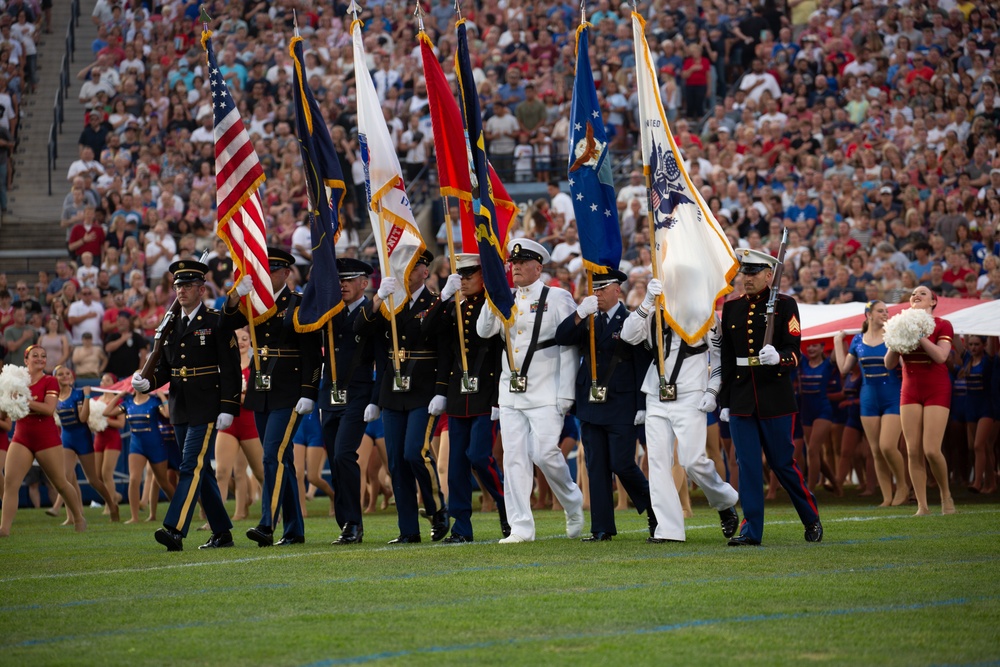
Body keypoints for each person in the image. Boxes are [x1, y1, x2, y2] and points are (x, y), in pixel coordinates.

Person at [476, 239, 584, 543]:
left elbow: (569, 344)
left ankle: (572, 501)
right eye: (514, 263)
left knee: (545, 452)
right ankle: (521, 526)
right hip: (511, 390)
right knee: (513, 458)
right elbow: (484, 332)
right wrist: (491, 297)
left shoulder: (557, 297)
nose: (516, 268)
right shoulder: (505, 297)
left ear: (539, 267)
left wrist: (566, 392)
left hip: (546, 388)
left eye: (523, 263)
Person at [620, 275, 740, 543]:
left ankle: (724, 501)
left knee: (692, 460)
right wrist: (646, 302)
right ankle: (669, 529)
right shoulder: (653, 315)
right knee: (658, 462)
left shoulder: (705, 317)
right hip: (656, 394)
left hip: (690, 395)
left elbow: (720, 359)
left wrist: (712, 391)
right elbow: (628, 336)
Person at [131, 259, 241, 551]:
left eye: (188, 285)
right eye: (178, 285)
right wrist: (148, 382)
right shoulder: (170, 324)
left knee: (189, 465)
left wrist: (229, 406)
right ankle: (223, 533)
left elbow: (230, 367)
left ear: (202, 289)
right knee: (200, 471)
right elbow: (166, 368)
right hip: (180, 403)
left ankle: (175, 529)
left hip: (207, 403)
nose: (181, 290)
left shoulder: (217, 320)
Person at [719, 249, 822, 546]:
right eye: (744, 273)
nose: (746, 279)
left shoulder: (786, 305)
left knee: (782, 463)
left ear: (769, 275)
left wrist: (779, 357)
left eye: (753, 273)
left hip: (774, 396)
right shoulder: (732, 307)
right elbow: (727, 358)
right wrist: (724, 401)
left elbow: (795, 350)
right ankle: (751, 531)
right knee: (748, 464)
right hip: (740, 396)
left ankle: (811, 517)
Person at [224, 248, 321, 547]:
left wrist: (309, 391)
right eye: (266, 269)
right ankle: (294, 530)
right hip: (261, 390)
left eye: (276, 270)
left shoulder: (299, 304)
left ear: (288, 273)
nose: (270, 274)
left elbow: (311, 353)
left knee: (271, 456)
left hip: (290, 391)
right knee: (284, 461)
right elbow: (225, 323)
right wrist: (235, 295)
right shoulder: (254, 304)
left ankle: (267, 523)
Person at [355, 250, 449, 544]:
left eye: (413, 267)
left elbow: (445, 349)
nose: (406, 272)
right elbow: (362, 331)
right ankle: (408, 529)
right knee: (396, 461)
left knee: (414, 453)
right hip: (393, 391)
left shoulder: (435, 303)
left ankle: (436, 509)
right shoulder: (389, 305)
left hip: (423, 390)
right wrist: (377, 299)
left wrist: (442, 389)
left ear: (424, 271)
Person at [555, 268, 655, 542]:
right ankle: (601, 527)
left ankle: (655, 512)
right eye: (594, 289)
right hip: (590, 402)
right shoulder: (588, 318)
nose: (597, 294)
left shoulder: (631, 319)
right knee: (596, 465)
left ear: (617, 290)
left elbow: (641, 364)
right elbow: (561, 336)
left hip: (622, 403)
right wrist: (579, 312)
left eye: (602, 289)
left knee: (622, 463)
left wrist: (642, 404)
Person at [422, 254, 510, 542]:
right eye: (460, 277)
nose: (464, 282)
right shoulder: (452, 308)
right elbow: (427, 330)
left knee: (478, 456)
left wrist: (498, 398)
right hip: (458, 393)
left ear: (483, 277)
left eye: (469, 276)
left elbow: (499, 355)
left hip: (486, 393)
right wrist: (444, 297)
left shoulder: (493, 306)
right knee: (457, 463)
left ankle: (505, 503)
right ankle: (461, 526)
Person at [1, 346, 88, 536]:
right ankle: (4, 529)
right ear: (26, 360)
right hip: (21, 437)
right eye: (35, 356)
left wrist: (24, 399)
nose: (40, 359)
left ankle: (79, 518)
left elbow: (49, 409)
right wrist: (6, 399)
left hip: (46, 438)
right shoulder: (15, 381)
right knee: (10, 483)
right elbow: (5, 411)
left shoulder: (50, 381)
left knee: (60, 483)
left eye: (43, 356)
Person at [320, 258, 377, 546]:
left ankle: (353, 521)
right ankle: (346, 524)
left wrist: (375, 398)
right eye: (339, 279)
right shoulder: (330, 312)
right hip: (329, 394)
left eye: (349, 279)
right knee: (335, 458)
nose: (342, 284)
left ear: (363, 283)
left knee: (344, 454)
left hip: (358, 393)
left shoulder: (372, 311)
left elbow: (381, 355)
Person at [885, 286, 955, 516]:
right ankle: (922, 506)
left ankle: (946, 497)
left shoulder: (943, 324)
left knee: (932, 450)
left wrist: (919, 335)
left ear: (933, 302)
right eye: (914, 293)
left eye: (923, 293)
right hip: (910, 389)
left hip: (936, 388)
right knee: (912, 450)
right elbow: (889, 363)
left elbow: (941, 357)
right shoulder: (900, 321)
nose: (916, 295)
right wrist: (896, 336)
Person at [834, 301, 910, 507]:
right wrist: (837, 341)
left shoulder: (892, 337)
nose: (885, 314)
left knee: (887, 446)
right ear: (868, 314)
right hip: (868, 398)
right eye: (880, 311)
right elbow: (843, 369)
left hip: (892, 396)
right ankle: (886, 497)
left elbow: (906, 366)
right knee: (875, 450)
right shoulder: (858, 340)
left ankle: (902, 486)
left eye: (886, 311)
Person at [54, 365, 119, 522]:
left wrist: (88, 397)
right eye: (60, 374)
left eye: (67, 373)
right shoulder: (54, 397)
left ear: (72, 376)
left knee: (93, 480)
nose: (64, 376)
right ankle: (73, 516)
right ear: (54, 378)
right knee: (65, 477)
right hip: (66, 439)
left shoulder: (78, 394)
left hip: (82, 438)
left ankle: (111, 504)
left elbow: (83, 419)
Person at [213, 327, 264, 522]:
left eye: (244, 338)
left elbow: (258, 396)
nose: (241, 342)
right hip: (228, 423)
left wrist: (240, 397)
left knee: (260, 473)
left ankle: (273, 513)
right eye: (237, 338)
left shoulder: (256, 366)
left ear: (250, 342)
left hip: (250, 423)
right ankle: (217, 519)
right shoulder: (225, 366)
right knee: (222, 472)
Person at [109, 383, 177, 524]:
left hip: (156, 445)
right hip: (136, 445)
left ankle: (180, 509)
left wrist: (161, 396)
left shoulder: (154, 401)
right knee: (134, 479)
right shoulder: (128, 402)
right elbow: (107, 412)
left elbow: (167, 414)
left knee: (163, 482)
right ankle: (134, 517)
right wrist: (119, 396)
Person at [953, 336, 995, 495]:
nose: (973, 347)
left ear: (983, 345)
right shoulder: (967, 360)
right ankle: (991, 483)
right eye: (970, 344)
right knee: (978, 447)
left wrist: (988, 328)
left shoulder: (988, 360)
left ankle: (977, 482)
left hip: (986, 408)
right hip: (970, 408)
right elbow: (956, 340)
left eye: (977, 344)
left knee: (979, 445)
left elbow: (991, 341)